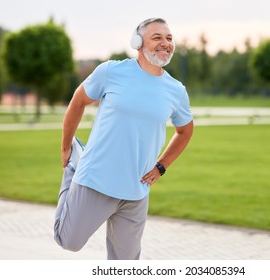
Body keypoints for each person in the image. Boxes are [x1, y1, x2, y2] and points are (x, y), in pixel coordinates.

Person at [53, 18, 194, 260]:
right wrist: (66, 146)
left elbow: (185, 130)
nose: (166, 43)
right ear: (137, 43)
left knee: (125, 264)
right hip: (95, 179)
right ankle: (73, 170)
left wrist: (161, 167)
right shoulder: (111, 72)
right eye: (157, 37)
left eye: (169, 38)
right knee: (69, 242)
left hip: (136, 190)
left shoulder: (176, 90)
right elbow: (78, 101)